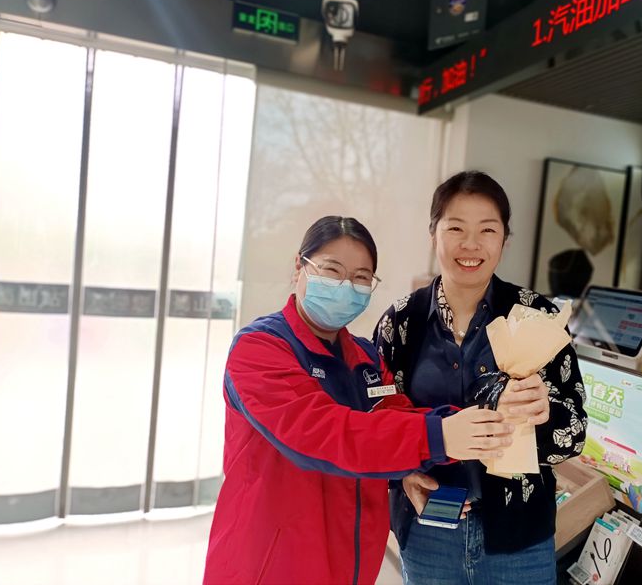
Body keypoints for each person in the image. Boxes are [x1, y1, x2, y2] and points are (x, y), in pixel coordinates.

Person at [203, 216, 518, 585]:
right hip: (268, 566)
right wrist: (441, 436)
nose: (345, 286)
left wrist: (476, 421)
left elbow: (394, 418)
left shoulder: (366, 359)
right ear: (299, 267)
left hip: (351, 566)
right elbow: (321, 433)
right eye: (332, 270)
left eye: (360, 277)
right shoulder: (260, 349)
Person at [374, 172, 588, 585]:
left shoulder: (537, 316)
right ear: (433, 234)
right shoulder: (401, 322)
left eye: (487, 230)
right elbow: (375, 418)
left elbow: (575, 432)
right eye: (456, 228)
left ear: (504, 239)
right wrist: (401, 474)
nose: (471, 245)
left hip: (519, 538)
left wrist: (544, 413)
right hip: (428, 530)